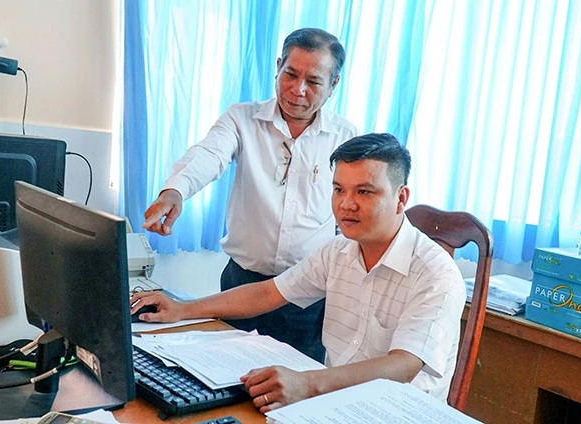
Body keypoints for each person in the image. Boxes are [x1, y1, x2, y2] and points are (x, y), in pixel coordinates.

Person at [133, 133, 466, 412]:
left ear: (401, 198)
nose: (346, 204)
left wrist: (308, 383)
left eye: (364, 192)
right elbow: (268, 292)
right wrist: (183, 309)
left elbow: (403, 365)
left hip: (398, 413)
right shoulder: (338, 251)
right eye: (339, 189)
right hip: (335, 404)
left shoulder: (436, 273)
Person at [142, 28, 358, 362]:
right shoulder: (242, 119)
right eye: (290, 74)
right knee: (227, 377)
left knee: (297, 384)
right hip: (241, 285)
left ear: (334, 84)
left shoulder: (345, 137)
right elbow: (208, 155)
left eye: (313, 81)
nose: (298, 89)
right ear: (278, 66)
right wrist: (175, 191)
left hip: (307, 295)